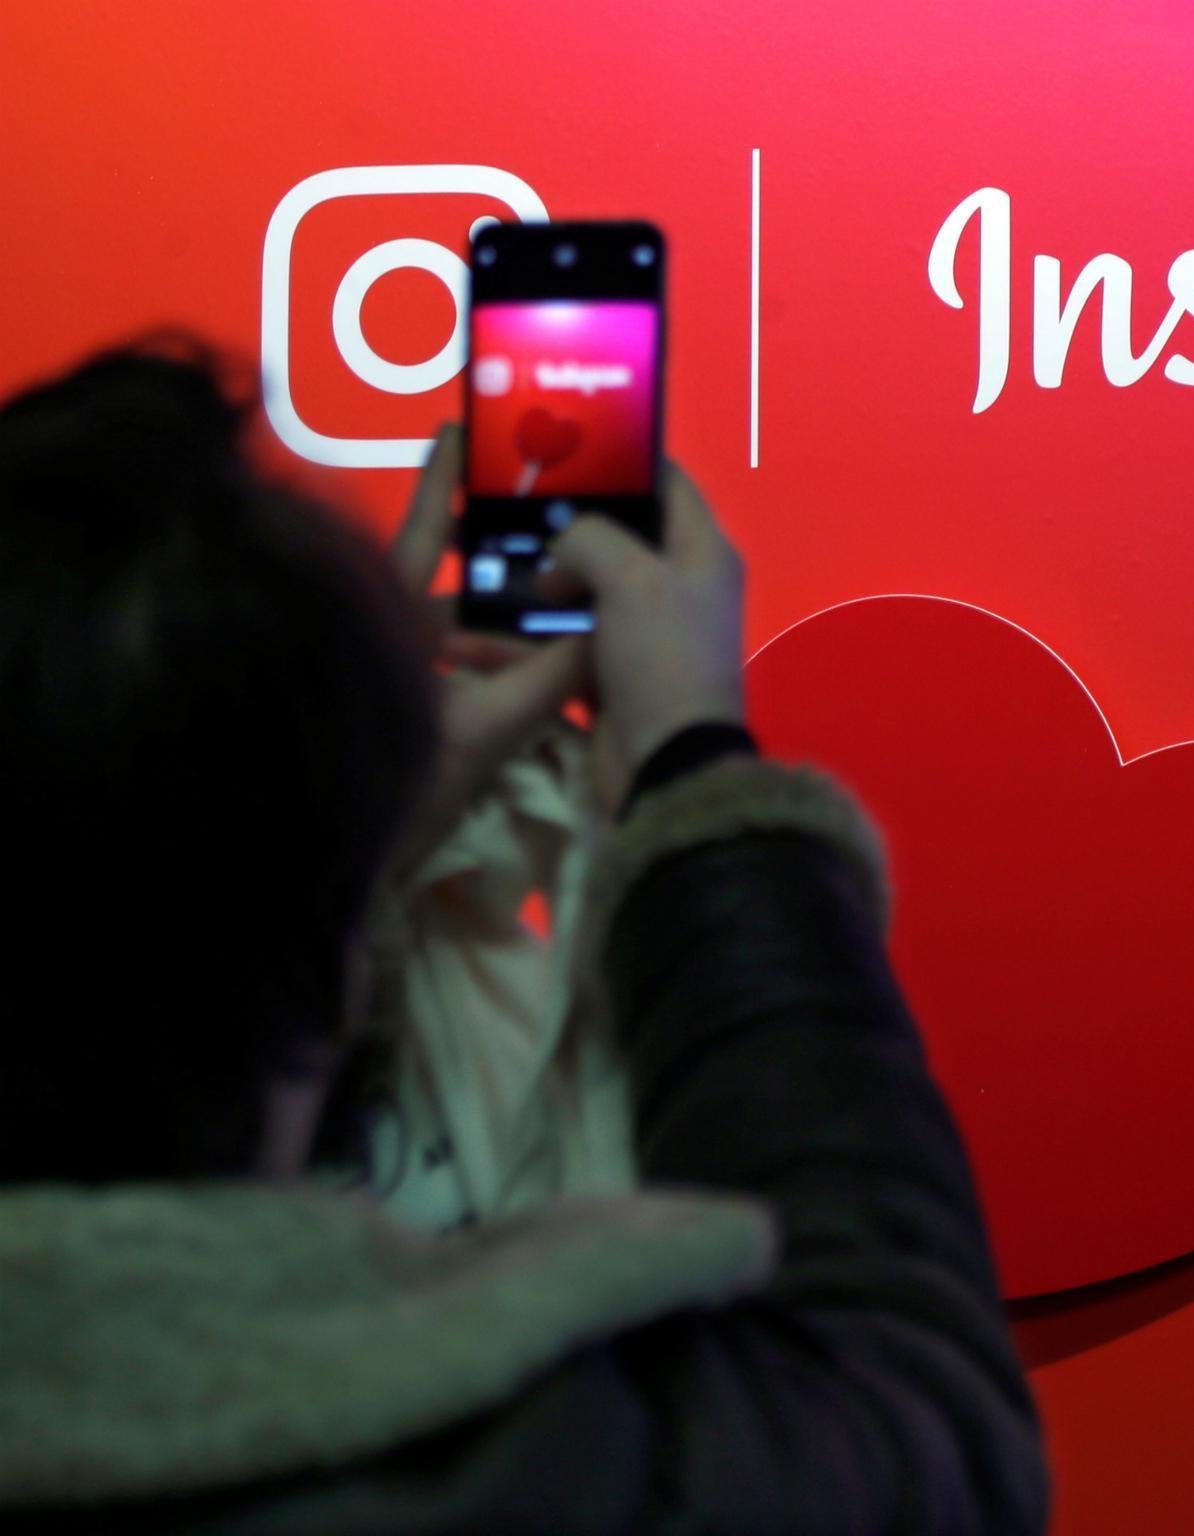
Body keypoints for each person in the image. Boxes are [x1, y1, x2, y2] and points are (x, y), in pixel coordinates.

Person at [0, 336, 1050, 1534]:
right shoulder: (565, 1476)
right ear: (335, 966)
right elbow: (918, 1418)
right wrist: (696, 771)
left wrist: (348, 831)